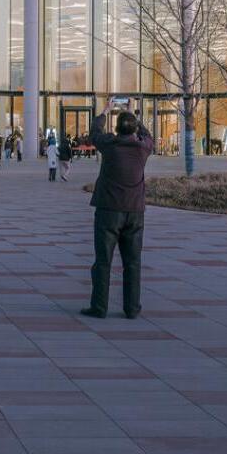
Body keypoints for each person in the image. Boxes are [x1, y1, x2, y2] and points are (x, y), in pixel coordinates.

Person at [83, 107, 153, 320]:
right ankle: (131, 308)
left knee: (103, 261)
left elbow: (95, 133)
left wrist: (104, 111)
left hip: (108, 212)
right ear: (134, 130)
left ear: (116, 129)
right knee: (132, 262)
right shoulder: (143, 149)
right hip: (134, 212)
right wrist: (136, 118)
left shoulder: (110, 146)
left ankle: (99, 307)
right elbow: (148, 135)